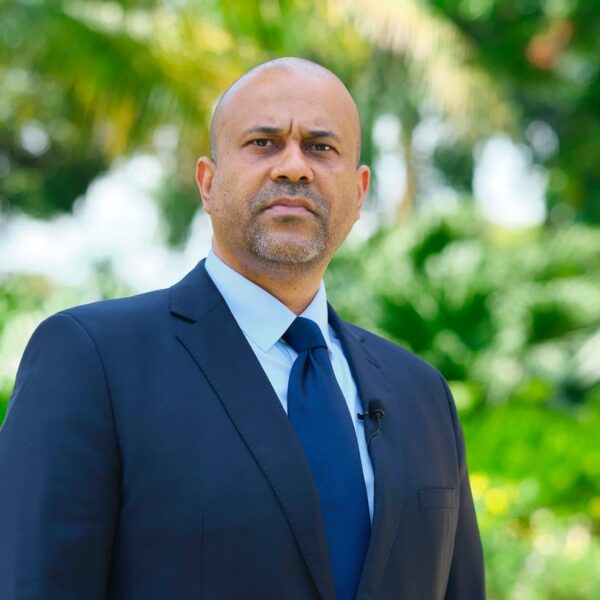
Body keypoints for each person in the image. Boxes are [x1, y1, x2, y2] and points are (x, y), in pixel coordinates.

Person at [0, 57, 484, 599]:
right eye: (263, 143)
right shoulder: (93, 361)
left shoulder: (423, 395)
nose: (294, 167)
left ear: (359, 192)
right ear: (207, 183)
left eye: (321, 147)